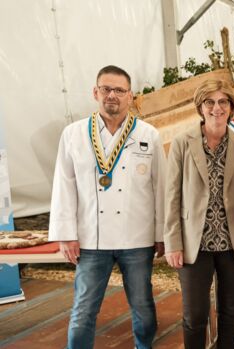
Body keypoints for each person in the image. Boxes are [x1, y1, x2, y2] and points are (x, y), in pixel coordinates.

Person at [49, 65, 165, 349]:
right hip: (90, 239)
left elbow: (161, 188)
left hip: (137, 238)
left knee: (144, 308)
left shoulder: (149, 135)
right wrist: (66, 234)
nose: (112, 95)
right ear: (95, 92)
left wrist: (162, 233)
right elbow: (63, 186)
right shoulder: (73, 134)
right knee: (83, 311)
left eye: (119, 90)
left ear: (130, 96)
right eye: (106, 89)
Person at [164, 80, 234, 349]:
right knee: (195, 314)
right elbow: (171, 195)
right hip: (193, 242)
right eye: (210, 102)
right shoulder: (181, 143)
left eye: (223, 102)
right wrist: (172, 242)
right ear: (200, 107)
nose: (217, 108)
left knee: (231, 310)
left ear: (232, 107)